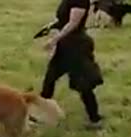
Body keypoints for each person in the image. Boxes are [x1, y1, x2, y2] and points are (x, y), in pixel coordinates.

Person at [40, 0, 104, 129]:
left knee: (83, 84)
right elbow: (64, 18)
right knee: (50, 78)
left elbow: (73, 23)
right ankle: (40, 111)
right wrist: (51, 26)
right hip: (65, 45)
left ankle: (95, 119)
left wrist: (54, 40)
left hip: (76, 47)